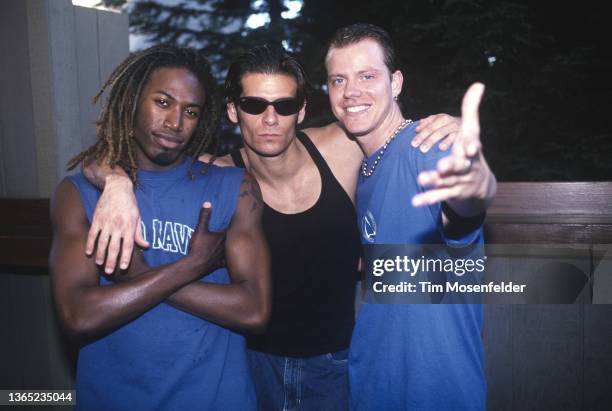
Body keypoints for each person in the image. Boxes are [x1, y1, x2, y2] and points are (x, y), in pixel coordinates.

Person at [81, 45, 460, 410]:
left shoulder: (341, 149)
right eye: (253, 105)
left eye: (284, 105)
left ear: (301, 110)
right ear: (233, 110)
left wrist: (450, 126)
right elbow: (111, 158)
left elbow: (399, 133)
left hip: (338, 367)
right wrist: (115, 182)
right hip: (251, 366)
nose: (270, 118)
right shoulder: (220, 176)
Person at [49, 45, 271, 411]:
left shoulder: (234, 187)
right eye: (163, 103)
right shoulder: (81, 193)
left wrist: (138, 275)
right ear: (133, 100)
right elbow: (78, 314)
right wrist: (190, 266)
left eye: (191, 111)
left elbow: (254, 311)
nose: (175, 123)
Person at [325, 23, 497, 410]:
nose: (351, 91)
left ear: (396, 82)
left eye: (367, 76)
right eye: (338, 80)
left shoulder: (427, 145)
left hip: (437, 390)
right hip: (372, 384)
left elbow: (463, 212)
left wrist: (476, 188)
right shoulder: (365, 170)